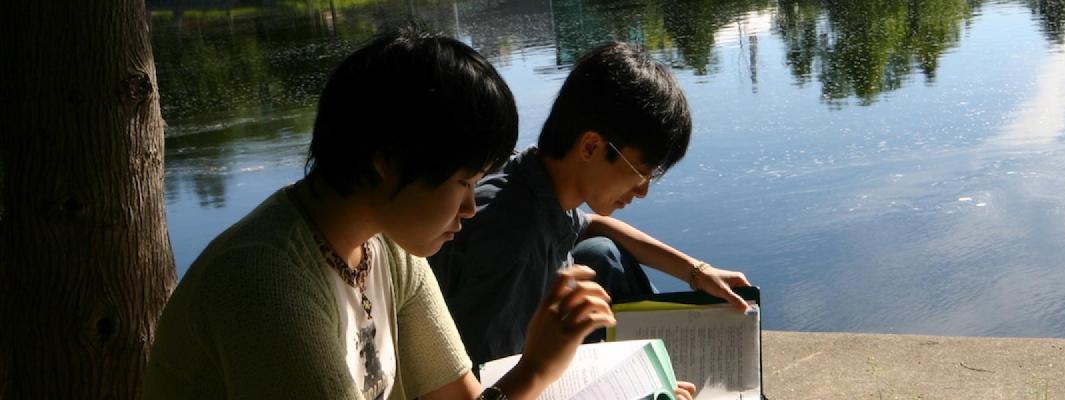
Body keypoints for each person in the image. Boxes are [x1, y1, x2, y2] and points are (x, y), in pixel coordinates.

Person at [143, 29, 680, 400]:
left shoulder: (387, 247)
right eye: (463, 183)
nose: (473, 206)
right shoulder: (263, 282)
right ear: (384, 163)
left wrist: (539, 365)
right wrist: (537, 367)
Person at [428, 42, 753, 367]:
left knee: (602, 255)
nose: (642, 192)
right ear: (590, 147)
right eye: (640, 173)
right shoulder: (516, 241)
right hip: (502, 375)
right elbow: (487, 380)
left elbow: (592, 225)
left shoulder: (532, 180)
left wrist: (697, 272)